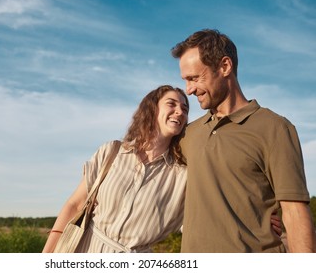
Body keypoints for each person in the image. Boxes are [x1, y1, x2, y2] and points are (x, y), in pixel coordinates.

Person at [171, 29, 315, 252]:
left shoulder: (275, 128)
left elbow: (295, 213)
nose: (189, 90)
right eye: (185, 81)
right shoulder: (190, 134)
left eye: (194, 78)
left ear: (225, 66)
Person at [43, 85, 189, 252]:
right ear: (152, 109)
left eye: (185, 109)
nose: (180, 112)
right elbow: (75, 204)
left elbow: (194, 226)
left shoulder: (183, 176)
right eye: (172, 104)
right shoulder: (112, 152)